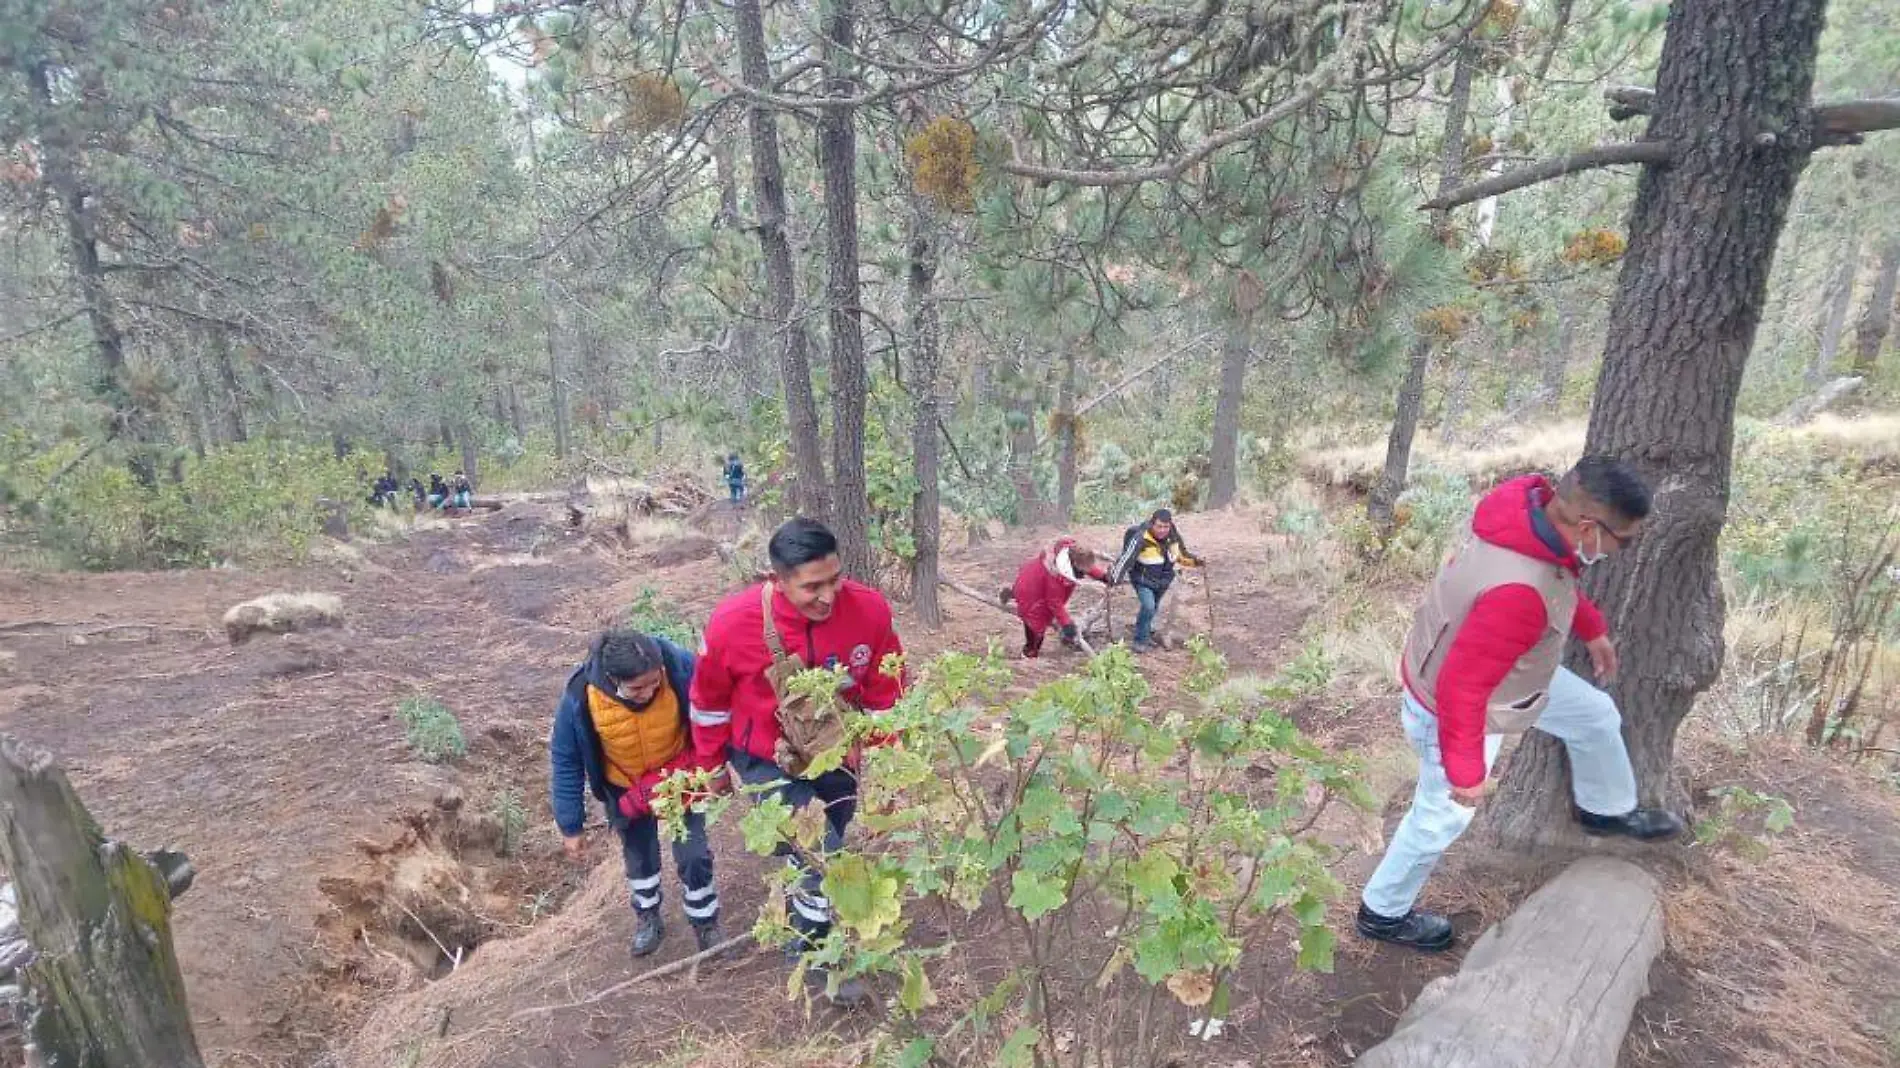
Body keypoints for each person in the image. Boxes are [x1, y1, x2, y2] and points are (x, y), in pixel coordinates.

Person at [1357, 456, 1685, 952]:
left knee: (1594, 715)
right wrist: (1466, 774)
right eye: (1625, 540)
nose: (1625, 551)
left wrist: (1591, 628)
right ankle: (1382, 913)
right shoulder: (1520, 592)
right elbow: (1462, 690)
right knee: (1441, 815)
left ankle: (1605, 810)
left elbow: (1556, 581)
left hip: (1507, 673)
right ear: (1590, 527)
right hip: (1461, 705)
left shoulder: (1524, 521)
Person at [689, 517, 906, 1007]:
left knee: (828, 837)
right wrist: (712, 766)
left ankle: (803, 907)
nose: (828, 594)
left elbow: (887, 690)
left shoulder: (868, 611)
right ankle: (814, 953)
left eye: (835, 579)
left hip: (838, 752)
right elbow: (707, 700)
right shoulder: (731, 623)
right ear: (777, 580)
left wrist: (890, 757)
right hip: (764, 755)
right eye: (812, 586)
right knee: (820, 851)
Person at [550, 628, 727, 959]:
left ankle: (705, 922)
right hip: (624, 787)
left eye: (654, 683)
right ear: (613, 680)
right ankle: (648, 918)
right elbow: (565, 759)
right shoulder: (580, 696)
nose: (648, 692)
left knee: (694, 854)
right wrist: (570, 825)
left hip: (679, 778)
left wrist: (714, 768)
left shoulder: (679, 667)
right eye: (636, 688)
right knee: (639, 858)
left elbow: (711, 712)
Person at [1109, 508, 1203, 653]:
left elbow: (1181, 556)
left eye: (1166, 527)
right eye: (1159, 526)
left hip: (1163, 581)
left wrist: (1196, 562)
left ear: (1170, 525)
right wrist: (1114, 579)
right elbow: (1125, 559)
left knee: (1153, 608)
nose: (1162, 530)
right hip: (1142, 579)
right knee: (1148, 606)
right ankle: (1139, 641)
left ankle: (1146, 635)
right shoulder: (1140, 538)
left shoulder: (1173, 537)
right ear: (1152, 524)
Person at [1006, 537, 1109, 658]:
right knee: (1035, 624)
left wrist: (1103, 576)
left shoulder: (1073, 555)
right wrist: (1067, 625)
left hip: (1035, 578)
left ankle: (1012, 592)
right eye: (1082, 570)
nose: (1085, 572)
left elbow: (1087, 567)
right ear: (1074, 563)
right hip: (1031, 592)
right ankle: (1029, 652)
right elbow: (1054, 603)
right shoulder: (1054, 575)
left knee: (1043, 615)